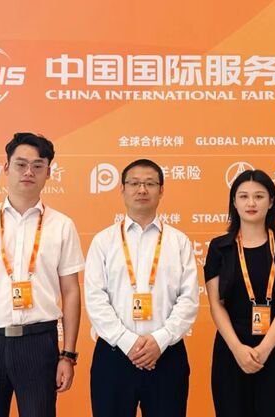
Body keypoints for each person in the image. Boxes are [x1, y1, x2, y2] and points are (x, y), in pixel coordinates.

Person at [0, 132, 85, 417]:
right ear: (5, 168)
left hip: (39, 343)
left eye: (38, 165)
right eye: (21, 164)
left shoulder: (62, 225)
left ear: (49, 173)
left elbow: (71, 291)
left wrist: (68, 355)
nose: (28, 172)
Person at [85, 159, 199, 417]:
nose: (142, 190)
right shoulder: (103, 241)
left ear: (161, 190)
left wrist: (160, 340)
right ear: (122, 189)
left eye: (150, 183)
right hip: (114, 354)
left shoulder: (178, 241)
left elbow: (189, 299)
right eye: (134, 183)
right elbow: (95, 298)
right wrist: (128, 342)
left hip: (166, 355)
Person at [204, 169, 275, 417]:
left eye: (259, 196)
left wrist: (265, 348)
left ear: (271, 202)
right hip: (231, 349)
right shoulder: (220, 247)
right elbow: (216, 304)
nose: (251, 203)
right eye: (243, 196)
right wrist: (237, 348)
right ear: (234, 202)